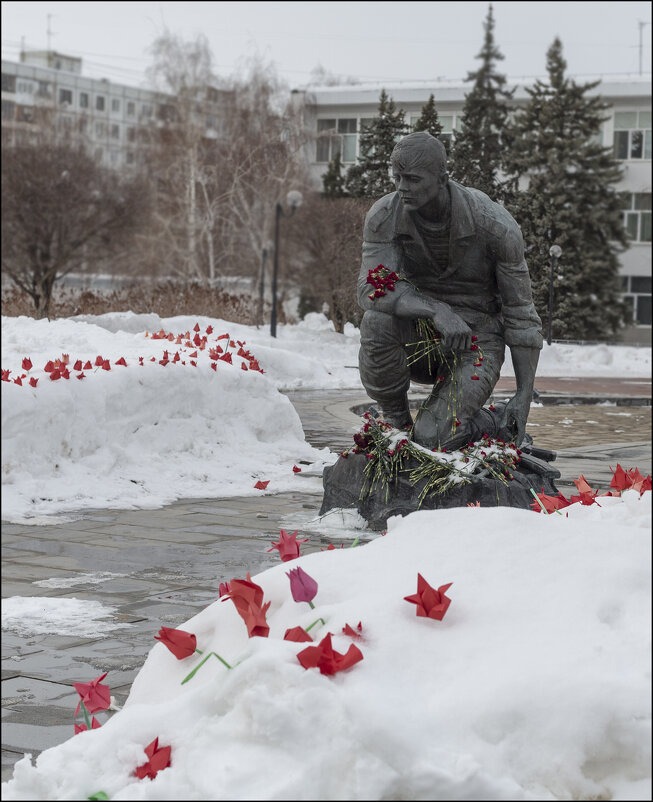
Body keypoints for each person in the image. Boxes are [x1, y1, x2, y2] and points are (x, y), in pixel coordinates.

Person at [357, 131, 542, 451]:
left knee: (432, 438)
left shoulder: (494, 225)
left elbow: (521, 313)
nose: (402, 188)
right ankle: (396, 424)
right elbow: (373, 286)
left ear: (442, 177)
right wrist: (436, 310)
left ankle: (493, 422)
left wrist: (524, 394)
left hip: (476, 340)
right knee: (376, 321)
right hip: (421, 333)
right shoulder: (386, 215)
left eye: (413, 179)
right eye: (397, 177)